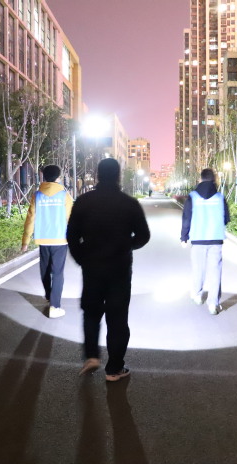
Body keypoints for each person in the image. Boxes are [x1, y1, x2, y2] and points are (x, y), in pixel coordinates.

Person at [67, 158, 150, 382]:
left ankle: (92, 356)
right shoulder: (129, 203)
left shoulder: (83, 201)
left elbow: (71, 235)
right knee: (117, 319)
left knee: (91, 313)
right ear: (118, 175)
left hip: (92, 268)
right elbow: (144, 236)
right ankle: (114, 368)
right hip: (119, 269)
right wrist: (126, 245)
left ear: (97, 175)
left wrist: (82, 258)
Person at [21, 165, 74, 319]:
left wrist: (25, 241)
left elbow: (30, 218)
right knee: (57, 272)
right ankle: (55, 306)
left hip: (43, 239)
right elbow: (71, 218)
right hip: (60, 239)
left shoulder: (37, 195)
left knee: (44, 269)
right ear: (58, 178)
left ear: (44, 177)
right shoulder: (64, 195)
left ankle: (49, 295)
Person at [180, 168, 230, 315]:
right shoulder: (220, 197)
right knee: (215, 271)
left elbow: (187, 218)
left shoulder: (193, 197)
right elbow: (226, 218)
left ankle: (197, 295)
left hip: (198, 238)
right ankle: (213, 304)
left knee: (198, 268)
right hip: (216, 239)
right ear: (214, 180)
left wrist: (184, 237)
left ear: (200, 179)